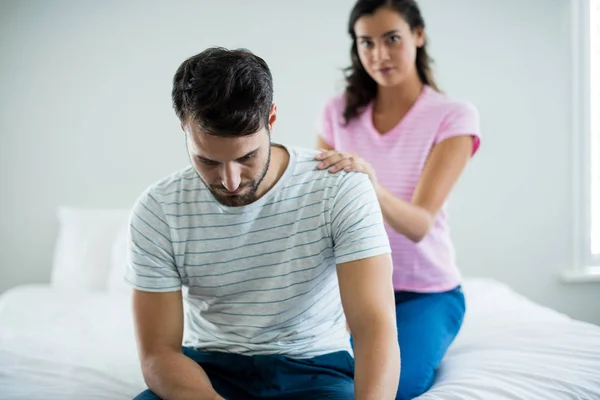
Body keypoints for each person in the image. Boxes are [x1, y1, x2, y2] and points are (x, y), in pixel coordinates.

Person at [126, 47, 400, 400]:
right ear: (184, 127)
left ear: (271, 119)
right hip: (206, 373)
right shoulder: (157, 210)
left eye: (246, 157)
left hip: (315, 371)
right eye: (207, 161)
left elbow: (373, 328)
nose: (230, 181)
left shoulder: (340, 187)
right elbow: (158, 353)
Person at [315, 1, 481, 398]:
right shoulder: (337, 112)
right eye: (366, 43)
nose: (379, 55)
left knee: (388, 387)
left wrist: (368, 182)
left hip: (426, 292)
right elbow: (321, 205)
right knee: (319, 378)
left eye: (392, 39)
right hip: (353, 284)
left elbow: (419, 224)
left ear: (418, 36)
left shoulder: (454, 115)